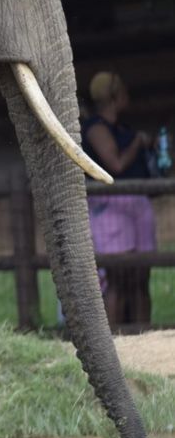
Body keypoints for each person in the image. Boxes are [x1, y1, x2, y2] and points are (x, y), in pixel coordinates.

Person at [81, 72, 156, 326]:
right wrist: (138, 142)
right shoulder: (95, 128)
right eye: (122, 90)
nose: (127, 94)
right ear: (113, 95)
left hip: (137, 203)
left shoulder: (122, 128)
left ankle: (145, 335)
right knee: (118, 280)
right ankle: (115, 338)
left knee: (140, 280)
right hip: (111, 207)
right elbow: (116, 164)